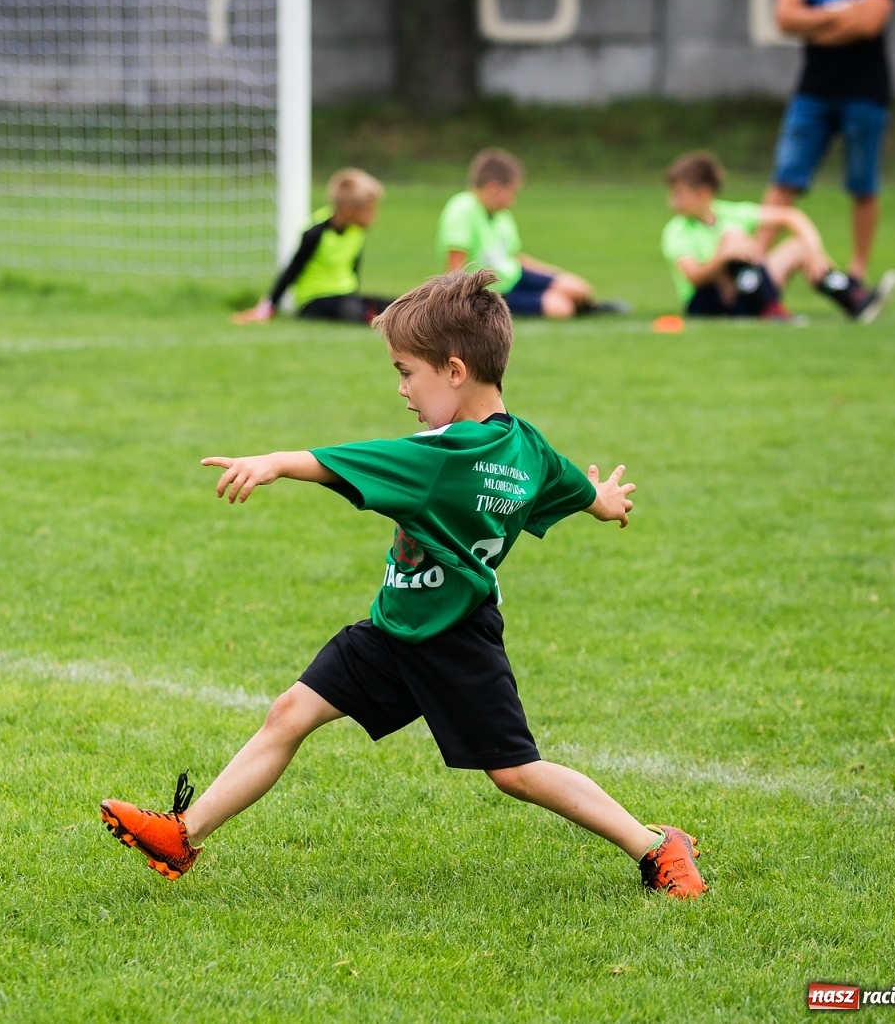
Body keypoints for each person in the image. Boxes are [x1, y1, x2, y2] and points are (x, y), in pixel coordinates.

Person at [101, 270, 707, 899]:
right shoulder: (524, 445)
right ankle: (183, 835)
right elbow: (570, 487)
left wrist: (274, 463)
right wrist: (603, 502)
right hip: (394, 628)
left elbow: (343, 461)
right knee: (290, 713)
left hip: (456, 638)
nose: (401, 390)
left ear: (453, 369)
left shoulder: (438, 455)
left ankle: (656, 845)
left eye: (406, 371)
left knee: (516, 773)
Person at [763, 0, 895, 283]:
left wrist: (814, 23)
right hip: (813, 90)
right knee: (786, 178)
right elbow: (784, 19)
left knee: (863, 184)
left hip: (866, 91)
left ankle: (857, 272)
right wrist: (842, 16)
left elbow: (870, 24)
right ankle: (755, 263)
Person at [663, 151, 895, 323]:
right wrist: (723, 257)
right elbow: (694, 277)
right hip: (710, 301)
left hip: (749, 289)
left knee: (798, 248)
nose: (672, 203)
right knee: (734, 238)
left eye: (679, 195)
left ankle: (854, 300)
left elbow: (792, 216)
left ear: (704, 193)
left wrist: (815, 252)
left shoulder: (730, 212)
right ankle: (769, 310)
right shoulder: (677, 230)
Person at [437, 148, 627, 319]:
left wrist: (554, 274)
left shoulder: (502, 216)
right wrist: (463, 308)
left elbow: (514, 257)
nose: (513, 200)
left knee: (580, 289)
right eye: (512, 192)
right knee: (561, 309)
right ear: (494, 188)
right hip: (493, 290)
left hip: (515, 276)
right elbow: (456, 269)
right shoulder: (462, 209)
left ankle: (588, 308)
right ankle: (573, 310)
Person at [234, 168, 392, 325]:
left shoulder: (357, 231)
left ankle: (384, 317)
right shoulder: (316, 233)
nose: (374, 215)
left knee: (392, 305)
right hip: (314, 300)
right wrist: (269, 307)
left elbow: (354, 268)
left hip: (345, 296)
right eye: (369, 210)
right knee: (350, 309)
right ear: (348, 211)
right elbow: (292, 270)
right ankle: (374, 319)